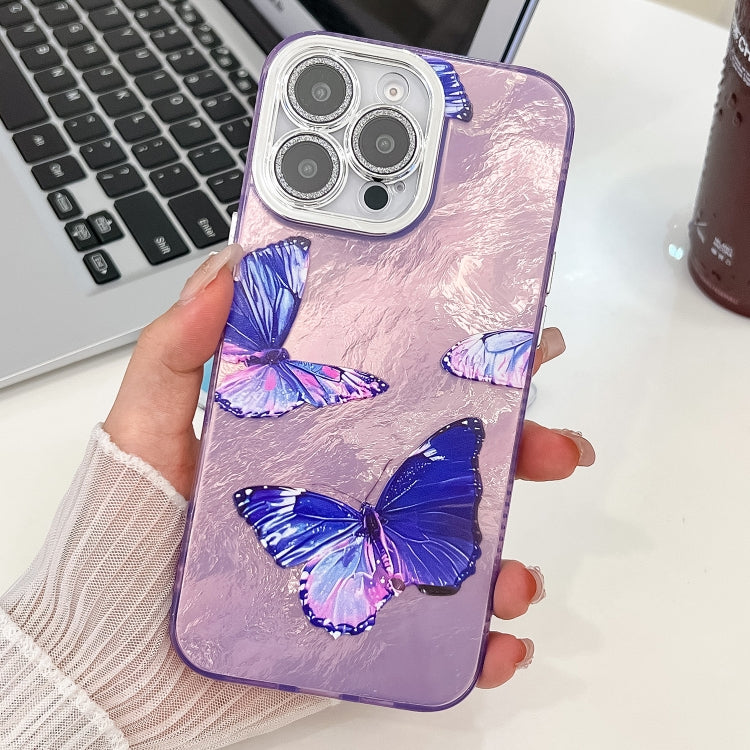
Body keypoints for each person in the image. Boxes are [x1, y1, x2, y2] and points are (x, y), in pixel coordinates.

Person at [0, 246, 595, 750]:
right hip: (412, 531)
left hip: (336, 550)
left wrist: (87, 676)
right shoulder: (403, 469)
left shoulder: (318, 496)